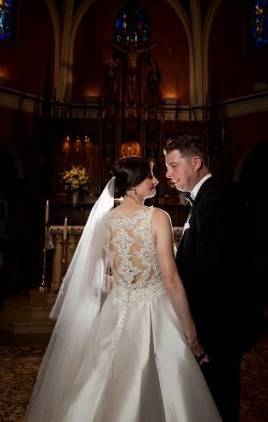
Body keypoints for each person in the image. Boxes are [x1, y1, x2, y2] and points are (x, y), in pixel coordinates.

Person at [26, 157, 220, 421]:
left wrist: (123, 283)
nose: (156, 180)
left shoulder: (105, 222)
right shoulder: (157, 217)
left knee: (102, 381)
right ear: (134, 186)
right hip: (156, 310)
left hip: (116, 310)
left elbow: (101, 277)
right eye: (150, 176)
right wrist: (192, 337)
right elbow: (172, 281)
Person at [165, 135, 263, 421]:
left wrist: (202, 339)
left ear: (196, 162)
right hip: (216, 327)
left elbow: (216, 277)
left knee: (221, 403)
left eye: (173, 165)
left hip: (220, 329)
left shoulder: (215, 202)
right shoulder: (205, 200)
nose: (168, 173)